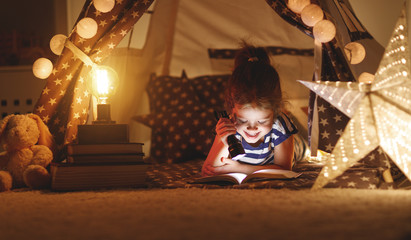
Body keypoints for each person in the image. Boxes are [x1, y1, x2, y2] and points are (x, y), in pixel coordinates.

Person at [201, 43, 298, 176]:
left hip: (296, 147)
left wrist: (239, 168)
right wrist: (223, 140)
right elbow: (208, 171)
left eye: (262, 121)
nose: (252, 128)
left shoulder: (280, 126)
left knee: (302, 148)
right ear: (232, 109)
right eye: (242, 120)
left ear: (275, 112)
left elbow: (286, 170)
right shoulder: (229, 125)